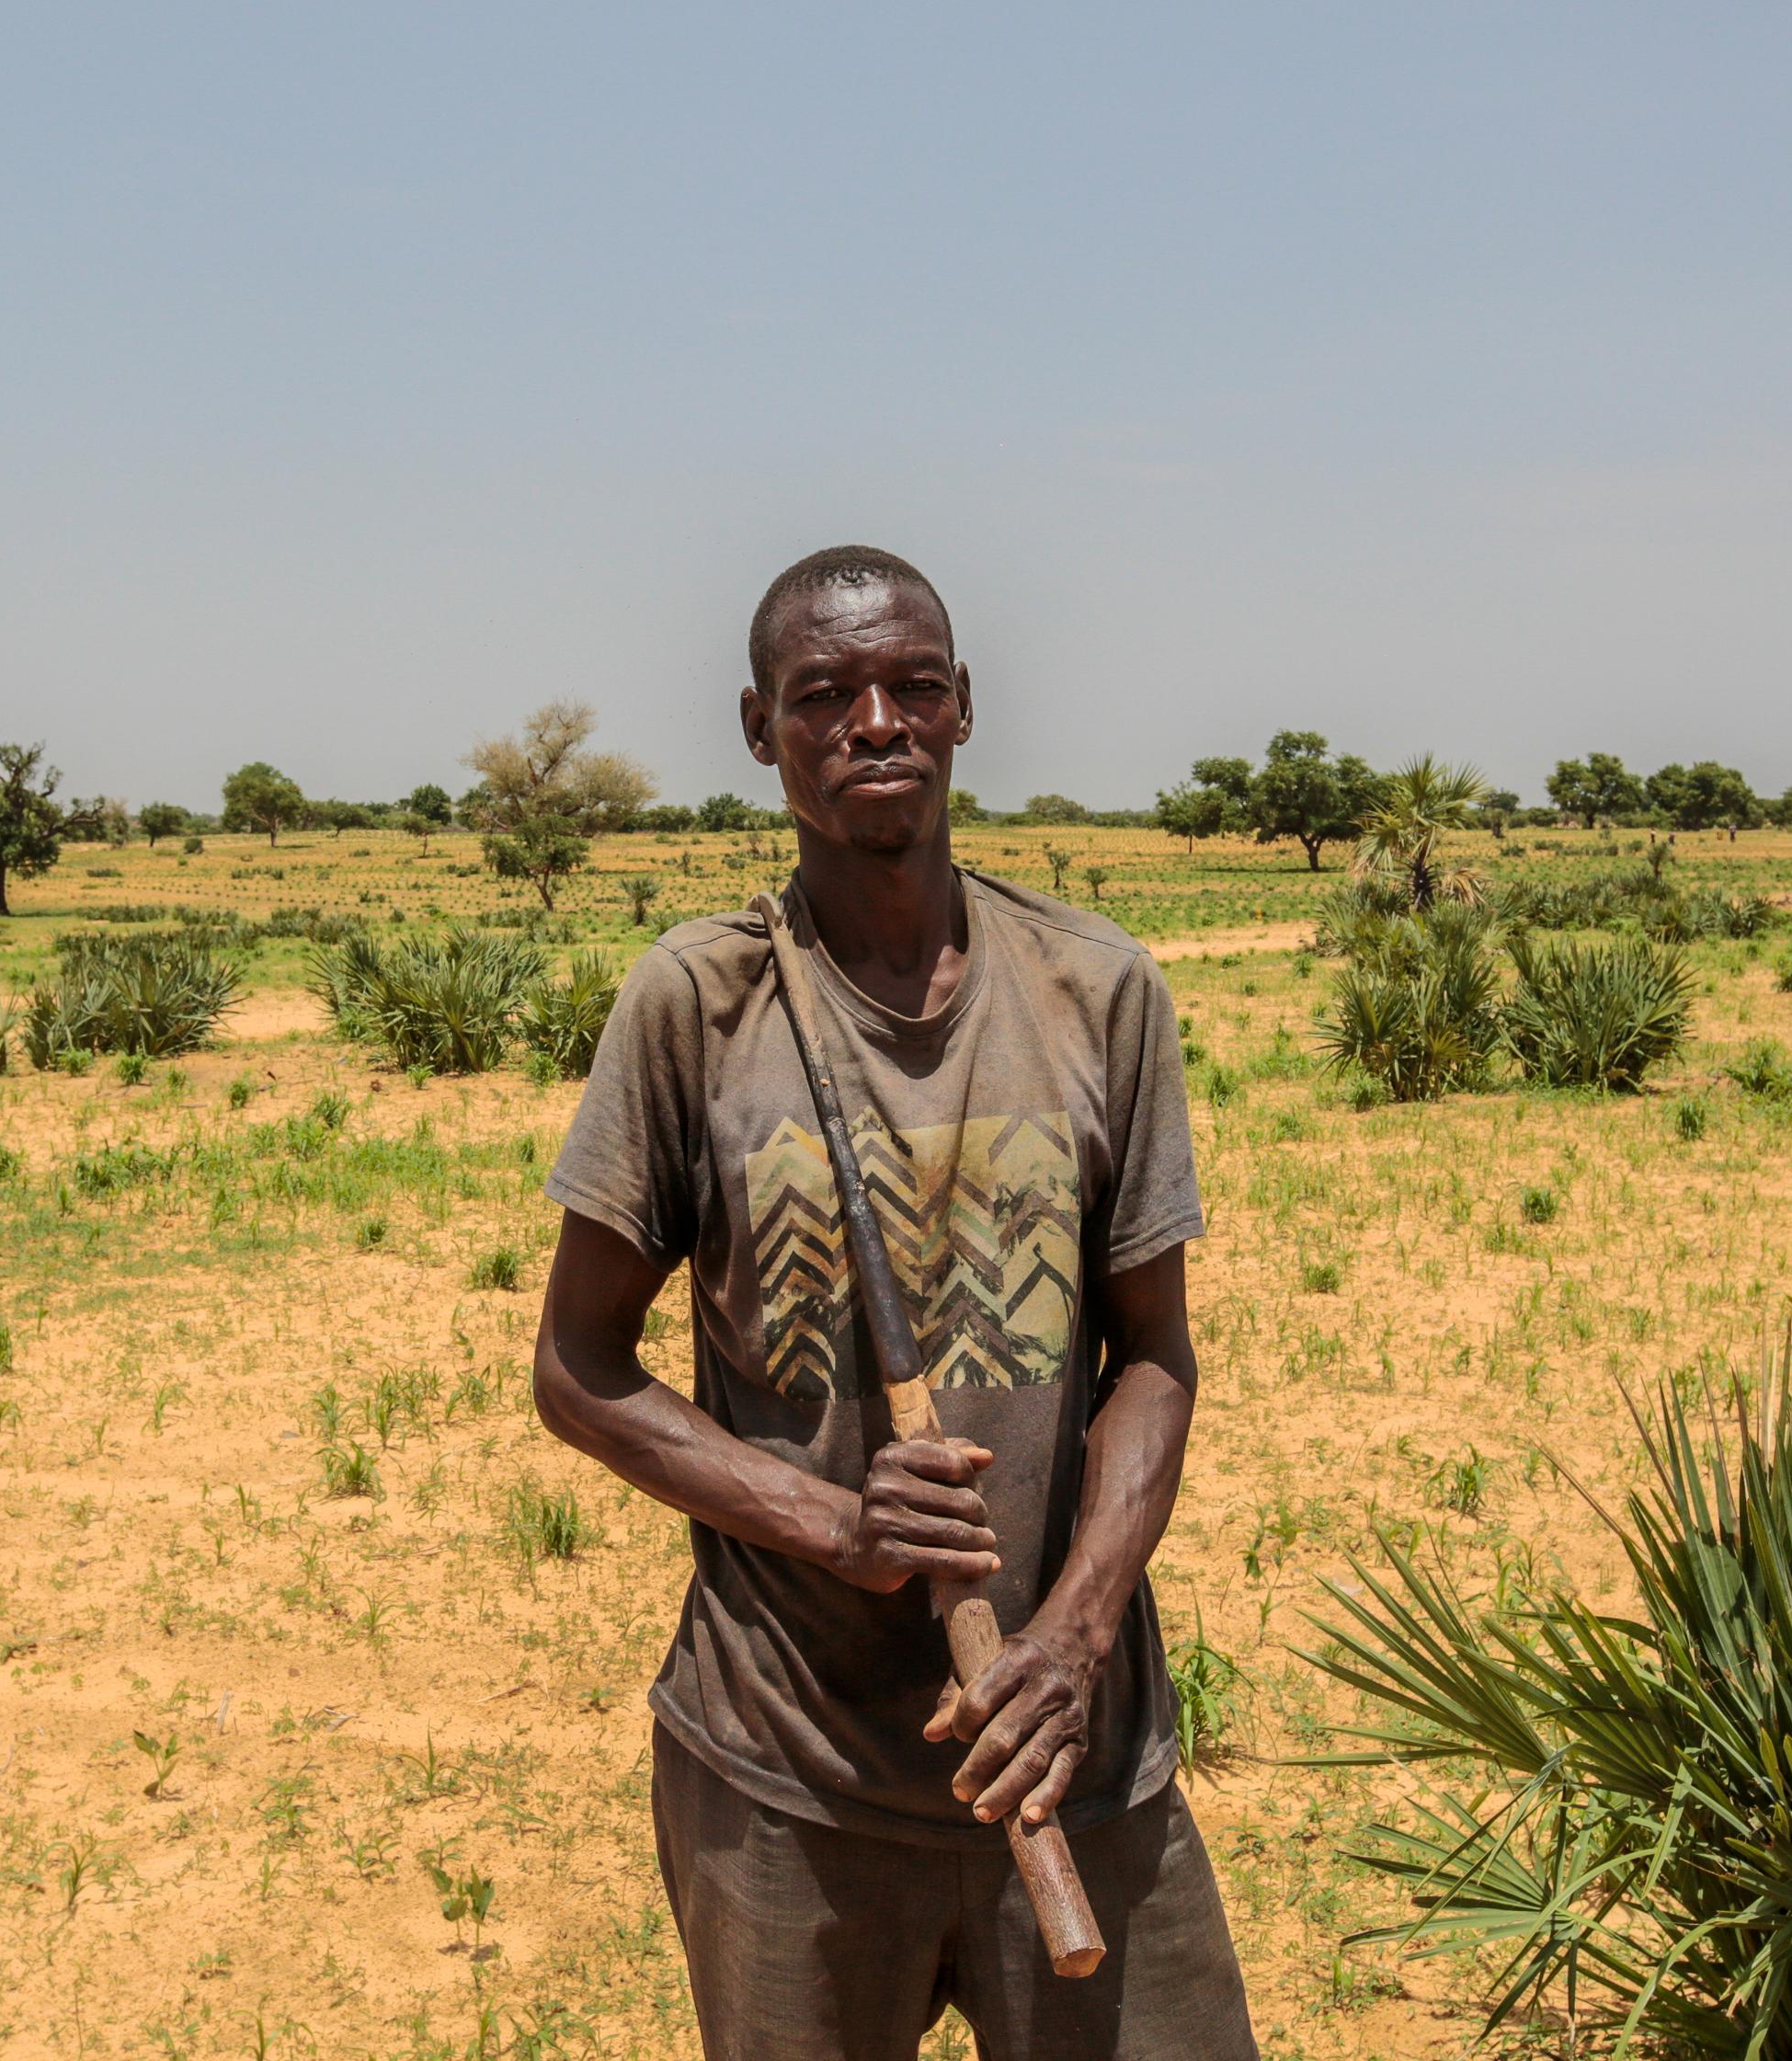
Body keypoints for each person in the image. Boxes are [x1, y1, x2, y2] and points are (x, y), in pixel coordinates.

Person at [533, 546, 1257, 2060]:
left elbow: (1155, 1360)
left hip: (1075, 1757)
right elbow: (578, 1368)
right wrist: (835, 1528)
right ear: (759, 726)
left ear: (964, 710)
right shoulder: (698, 1004)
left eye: (912, 687)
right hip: (789, 1774)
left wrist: (1073, 1637)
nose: (877, 722)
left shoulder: (1095, 990)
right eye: (827, 696)